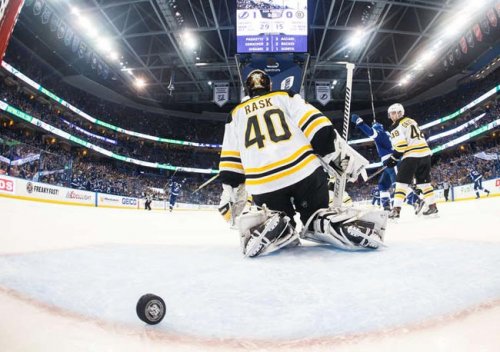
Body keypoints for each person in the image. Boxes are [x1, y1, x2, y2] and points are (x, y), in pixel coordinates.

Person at [217, 69, 387, 258]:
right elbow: (317, 126)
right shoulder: (285, 96)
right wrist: (335, 155)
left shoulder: (235, 114)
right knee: (316, 212)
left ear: (247, 90)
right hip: (304, 172)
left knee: (275, 212)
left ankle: (279, 224)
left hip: (263, 184)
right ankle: (326, 222)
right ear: (270, 86)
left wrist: (231, 192)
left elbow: (230, 163)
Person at [384, 103, 438, 219]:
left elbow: (401, 146)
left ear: (399, 113)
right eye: (391, 114)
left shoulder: (395, 127)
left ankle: (396, 210)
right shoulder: (411, 120)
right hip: (425, 154)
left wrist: (393, 159)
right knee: (424, 184)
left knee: (400, 184)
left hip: (412, 156)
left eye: (393, 113)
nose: (392, 116)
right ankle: (432, 207)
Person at [351, 114, 396, 210]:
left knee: (399, 184)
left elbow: (371, 132)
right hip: (389, 162)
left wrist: (359, 122)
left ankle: (417, 201)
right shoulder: (387, 134)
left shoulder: (380, 133)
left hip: (392, 161)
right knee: (382, 185)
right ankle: (386, 207)